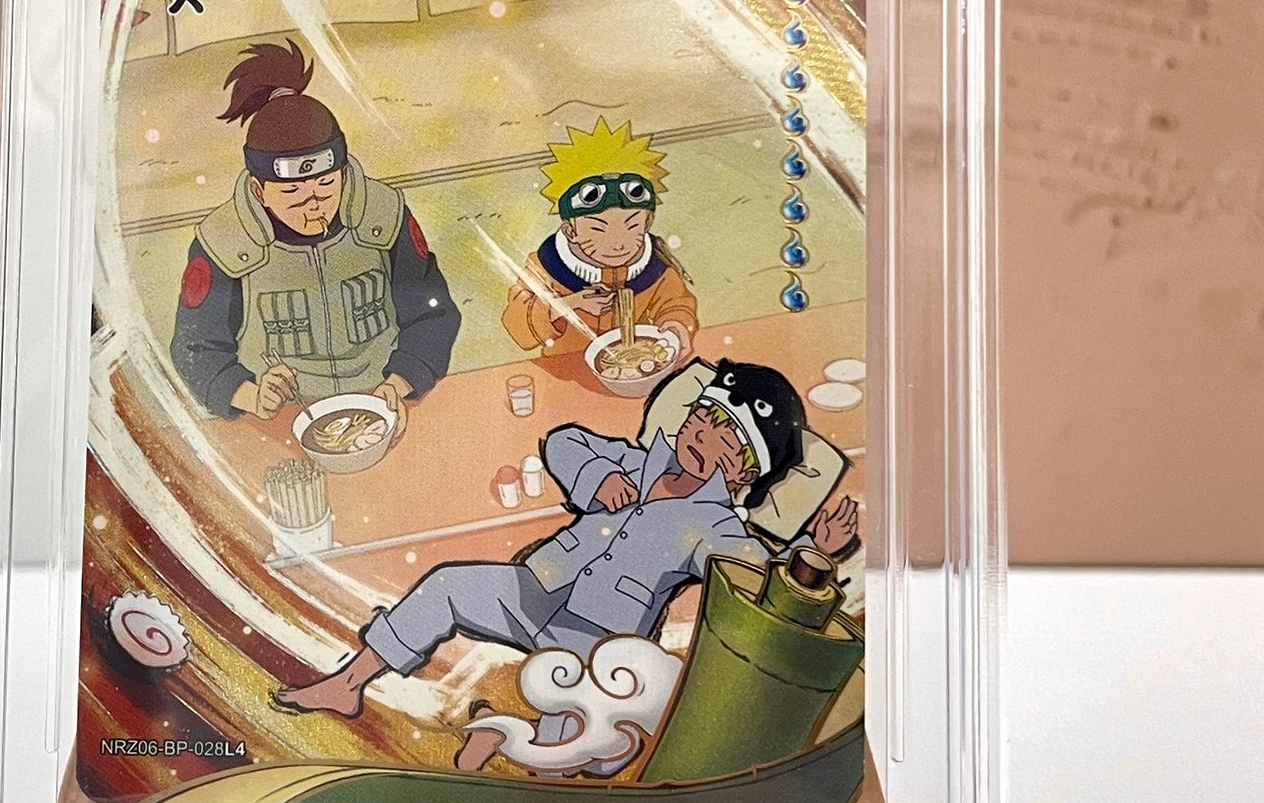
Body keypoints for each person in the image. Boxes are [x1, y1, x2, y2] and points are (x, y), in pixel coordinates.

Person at [272, 358, 810, 764]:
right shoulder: (640, 461)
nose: (705, 438)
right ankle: (349, 684)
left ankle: (497, 730)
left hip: (596, 640)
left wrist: (812, 551)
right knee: (446, 586)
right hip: (540, 587)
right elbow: (563, 443)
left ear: (744, 474)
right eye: (705, 419)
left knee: (567, 746)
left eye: (729, 441)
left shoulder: (716, 524)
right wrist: (598, 477)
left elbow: (755, 570)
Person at [170, 40, 459, 423]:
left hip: (384, 402)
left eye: (325, 185)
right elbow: (194, 346)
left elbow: (432, 313)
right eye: (291, 191)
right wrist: (251, 395)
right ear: (259, 190)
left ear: (343, 173)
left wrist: (398, 383)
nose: (313, 203)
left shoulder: (384, 215)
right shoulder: (224, 241)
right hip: (283, 420)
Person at [502, 117, 699, 367]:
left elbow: (676, 304)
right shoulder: (546, 265)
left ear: (648, 222)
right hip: (564, 369)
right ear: (570, 231)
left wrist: (676, 328)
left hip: (637, 365)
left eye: (632, 226)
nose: (618, 244)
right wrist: (570, 304)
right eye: (598, 229)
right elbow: (517, 325)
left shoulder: (655, 265)